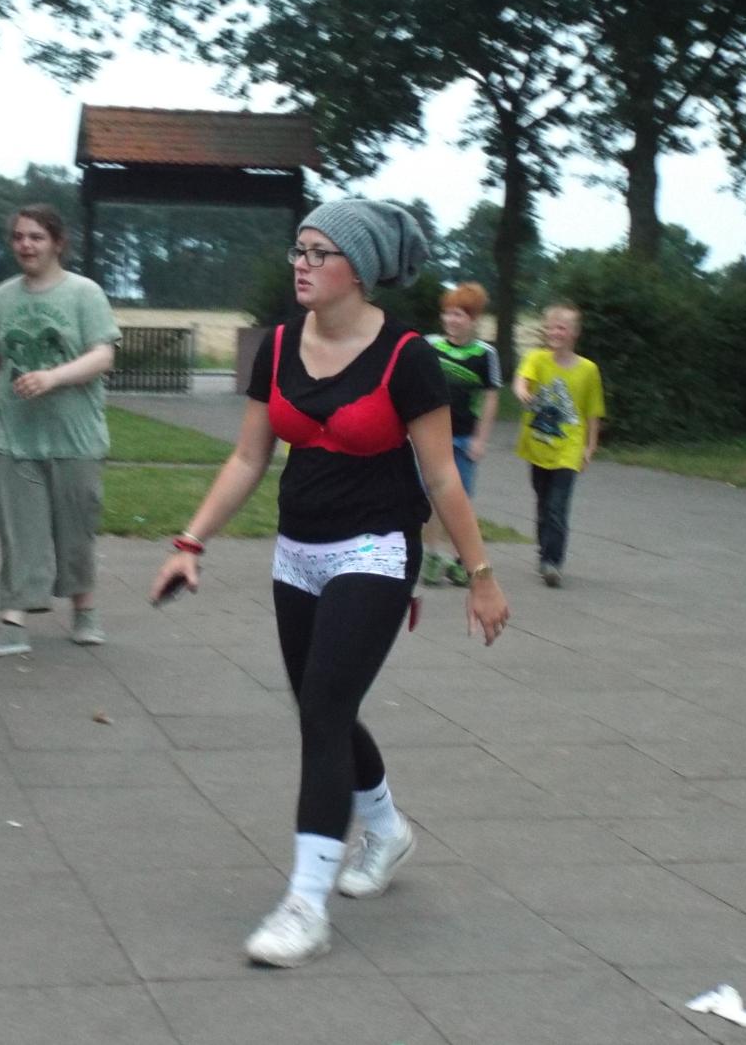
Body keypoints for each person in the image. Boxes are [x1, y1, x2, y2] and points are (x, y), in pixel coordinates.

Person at [149, 199, 511, 969]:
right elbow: (249, 457)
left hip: (376, 548)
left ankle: (305, 905)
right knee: (325, 710)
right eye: (299, 250)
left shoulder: (406, 358)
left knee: (322, 708)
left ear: (361, 269)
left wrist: (480, 576)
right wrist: (190, 541)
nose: (302, 264)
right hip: (298, 552)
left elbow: (443, 477)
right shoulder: (279, 345)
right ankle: (386, 829)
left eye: (320, 252)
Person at [0, 204, 121, 655]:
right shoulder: (2, 298)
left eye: (35, 237)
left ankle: (85, 613)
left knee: (76, 532)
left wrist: (53, 377)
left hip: (75, 438)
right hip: (15, 438)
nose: (26, 245)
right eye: (18, 237)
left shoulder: (84, 294)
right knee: (19, 533)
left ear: (57, 242)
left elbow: (103, 355)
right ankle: (12, 626)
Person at [512, 302, 605, 587]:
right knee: (543, 502)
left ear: (574, 333)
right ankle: (544, 552)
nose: (555, 333)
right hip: (538, 444)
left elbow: (593, 412)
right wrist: (522, 391)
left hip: (569, 447)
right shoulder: (537, 358)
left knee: (557, 505)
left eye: (561, 328)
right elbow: (521, 380)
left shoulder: (588, 370)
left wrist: (590, 447)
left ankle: (553, 562)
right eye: (551, 328)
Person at [421, 281, 501, 586]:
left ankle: (460, 561)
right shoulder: (430, 346)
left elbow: (491, 397)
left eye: (459, 315)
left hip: (465, 438)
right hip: (432, 439)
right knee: (432, 499)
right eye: (448, 313)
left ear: (474, 319)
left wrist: (481, 439)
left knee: (461, 502)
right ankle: (431, 556)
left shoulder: (485, 354)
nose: (452, 320)